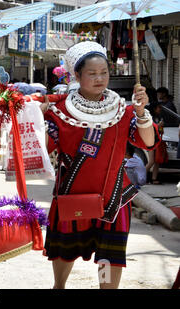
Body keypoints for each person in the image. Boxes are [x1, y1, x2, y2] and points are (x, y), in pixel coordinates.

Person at [42, 41, 159, 289]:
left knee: (109, 256)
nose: (99, 78)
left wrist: (141, 112)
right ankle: (59, 286)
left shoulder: (122, 110)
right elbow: (43, 149)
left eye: (104, 72)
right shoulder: (59, 110)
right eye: (92, 73)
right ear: (77, 75)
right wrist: (35, 117)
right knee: (64, 253)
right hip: (72, 194)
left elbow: (148, 143)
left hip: (114, 198)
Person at [145, 101, 165, 184]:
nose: (160, 109)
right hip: (150, 141)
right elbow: (149, 128)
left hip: (157, 140)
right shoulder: (149, 117)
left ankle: (154, 178)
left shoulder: (158, 117)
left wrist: (160, 128)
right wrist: (158, 126)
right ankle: (142, 177)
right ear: (154, 108)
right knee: (151, 161)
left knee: (157, 161)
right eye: (159, 107)